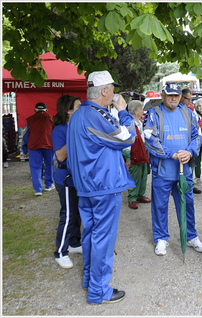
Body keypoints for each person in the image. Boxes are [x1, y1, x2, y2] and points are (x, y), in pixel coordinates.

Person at [67, 70, 136, 304]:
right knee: (103, 239)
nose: (114, 94)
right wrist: (124, 112)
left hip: (86, 186)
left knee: (91, 234)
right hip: (102, 185)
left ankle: (90, 279)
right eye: (113, 90)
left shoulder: (78, 114)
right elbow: (126, 138)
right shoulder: (96, 114)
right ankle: (99, 290)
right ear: (104, 91)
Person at [143, 82, 202, 256]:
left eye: (176, 95)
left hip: (184, 171)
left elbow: (197, 136)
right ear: (162, 95)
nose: (173, 98)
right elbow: (150, 138)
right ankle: (161, 239)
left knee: (187, 204)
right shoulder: (153, 113)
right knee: (160, 206)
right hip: (162, 171)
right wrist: (172, 154)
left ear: (180, 96)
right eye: (169, 95)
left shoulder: (188, 113)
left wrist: (190, 151)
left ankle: (191, 236)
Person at [52, 94, 82, 269]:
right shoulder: (60, 130)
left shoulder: (76, 126)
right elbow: (61, 155)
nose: (81, 109)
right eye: (78, 106)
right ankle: (60, 252)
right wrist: (73, 133)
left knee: (77, 212)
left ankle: (74, 243)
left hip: (76, 178)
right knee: (68, 215)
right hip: (65, 178)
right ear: (69, 110)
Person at [122, 100, 151, 210]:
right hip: (134, 154)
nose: (143, 111)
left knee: (143, 175)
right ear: (135, 111)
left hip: (141, 153)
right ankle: (132, 198)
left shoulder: (139, 122)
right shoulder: (130, 124)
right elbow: (126, 142)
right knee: (134, 177)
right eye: (141, 109)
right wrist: (127, 157)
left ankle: (140, 195)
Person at [22, 102, 55, 196]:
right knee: (50, 165)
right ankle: (49, 185)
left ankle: (38, 190)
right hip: (49, 145)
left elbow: (25, 135)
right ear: (46, 110)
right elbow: (56, 134)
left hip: (34, 146)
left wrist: (24, 149)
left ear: (35, 110)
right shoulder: (52, 118)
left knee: (35, 167)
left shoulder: (30, 120)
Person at [180, 88, 201, 194]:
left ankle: (190, 186)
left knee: (189, 169)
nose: (190, 102)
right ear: (182, 98)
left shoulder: (190, 111)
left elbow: (195, 130)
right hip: (181, 148)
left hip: (190, 146)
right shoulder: (177, 113)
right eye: (188, 99)